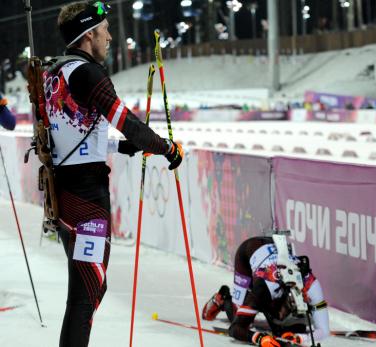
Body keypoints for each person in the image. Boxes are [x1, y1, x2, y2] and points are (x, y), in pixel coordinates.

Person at [47, 2, 183, 346]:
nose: (109, 35)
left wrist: (120, 148)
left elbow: (73, 131)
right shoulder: (87, 73)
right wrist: (167, 147)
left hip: (65, 193)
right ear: (88, 33)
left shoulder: (55, 72)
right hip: (86, 201)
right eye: (104, 29)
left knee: (89, 288)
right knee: (86, 293)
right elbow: (128, 124)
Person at [203, 236, 330, 347]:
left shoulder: (311, 286)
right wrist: (259, 338)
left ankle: (271, 313)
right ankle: (223, 298)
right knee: (242, 321)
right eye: (287, 310)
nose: (283, 315)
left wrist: (299, 338)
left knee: (283, 330)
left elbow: (324, 331)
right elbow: (235, 329)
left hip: (273, 266)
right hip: (248, 252)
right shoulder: (263, 288)